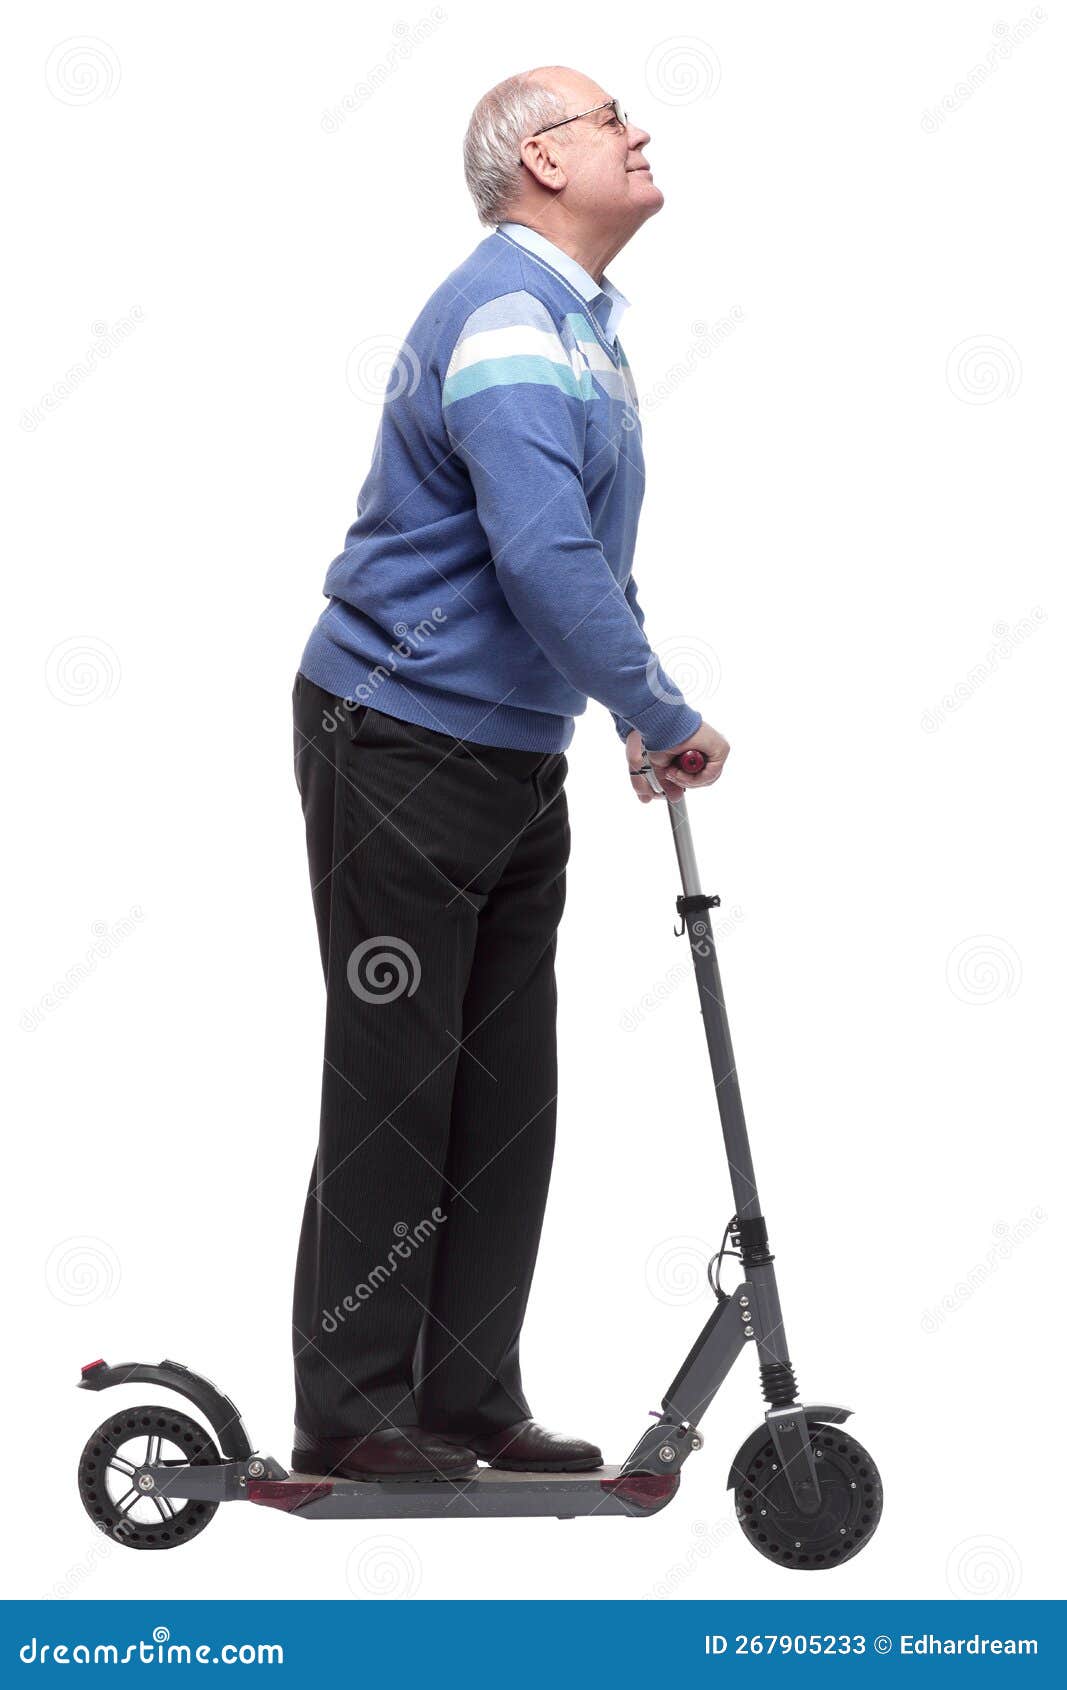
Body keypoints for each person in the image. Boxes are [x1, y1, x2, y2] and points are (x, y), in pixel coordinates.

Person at [290, 64, 730, 1481]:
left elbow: (581, 561)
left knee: (504, 1089)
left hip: (507, 757)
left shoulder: (579, 326)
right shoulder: (504, 315)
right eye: (612, 119)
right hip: (400, 737)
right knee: (402, 1074)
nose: (639, 130)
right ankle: (356, 1410)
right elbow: (539, 555)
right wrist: (660, 706)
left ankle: (469, 1397)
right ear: (541, 158)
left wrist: (617, 714)